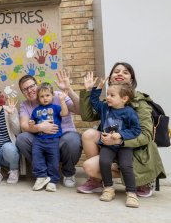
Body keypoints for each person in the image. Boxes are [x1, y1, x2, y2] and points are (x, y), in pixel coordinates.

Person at [77, 62, 166, 198]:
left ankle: (143, 179)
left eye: (125, 72)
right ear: (111, 78)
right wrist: (89, 91)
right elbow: (88, 116)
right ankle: (97, 180)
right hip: (110, 146)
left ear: (131, 80)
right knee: (89, 137)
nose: (120, 74)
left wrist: (120, 140)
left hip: (134, 149)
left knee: (123, 163)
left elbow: (145, 135)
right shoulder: (109, 102)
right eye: (116, 71)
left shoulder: (140, 102)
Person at [16, 71, 82, 187]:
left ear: (37, 85)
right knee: (22, 138)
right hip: (41, 138)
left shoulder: (56, 95)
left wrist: (69, 89)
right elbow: (24, 125)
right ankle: (43, 173)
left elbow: (79, 110)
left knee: (73, 140)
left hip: (63, 135)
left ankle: (68, 172)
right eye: (25, 89)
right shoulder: (25, 105)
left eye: (31, 86)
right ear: (23, 92)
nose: (29, 90)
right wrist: (40, 127)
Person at [89, 80, 141, 207]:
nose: (108, 97)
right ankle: (108, 188)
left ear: (124, 98)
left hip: (123, 146)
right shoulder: (105, 108)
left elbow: (136, 130)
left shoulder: (129, 112)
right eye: (107, 94)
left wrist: (121, 135)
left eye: (112, 95)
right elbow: (94, 102)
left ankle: (131, 193)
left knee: (126, 165)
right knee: (104, 162)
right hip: (108, 144)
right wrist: (98, 89)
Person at [31, 83, 68, 192]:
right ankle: (41, 177)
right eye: (42, 96)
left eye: (47, 95)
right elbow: (32, 122)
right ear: (38, 98)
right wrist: (31, 122)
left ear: (52, 95)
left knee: (54, 161)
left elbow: (65, 113)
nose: (45, 98)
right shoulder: (35, 110)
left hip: (53, 139)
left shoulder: (56, 107)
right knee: (37, 158)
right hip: (39, 139)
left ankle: (52, 181)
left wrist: (62, 100)